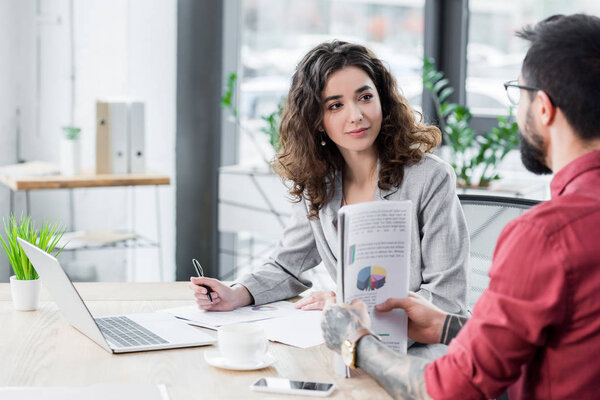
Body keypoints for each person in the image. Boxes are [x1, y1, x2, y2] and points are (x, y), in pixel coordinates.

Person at [321, 13, 600, 400]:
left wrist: (356, 341)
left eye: (518, 93)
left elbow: (449, 389)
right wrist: (446, 326)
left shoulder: (545, 237)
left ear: (543, 109)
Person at [190, 40, 470, 358]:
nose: (356, 116)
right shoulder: (319, 183)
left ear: (383, 101)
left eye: (365, 97)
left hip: (424, 351)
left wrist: (350, 306)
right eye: (335, 105)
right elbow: (287, 265)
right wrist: (236, 294)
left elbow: (447, 302)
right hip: (354, 346)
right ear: (316, 119)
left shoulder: (429, 178)